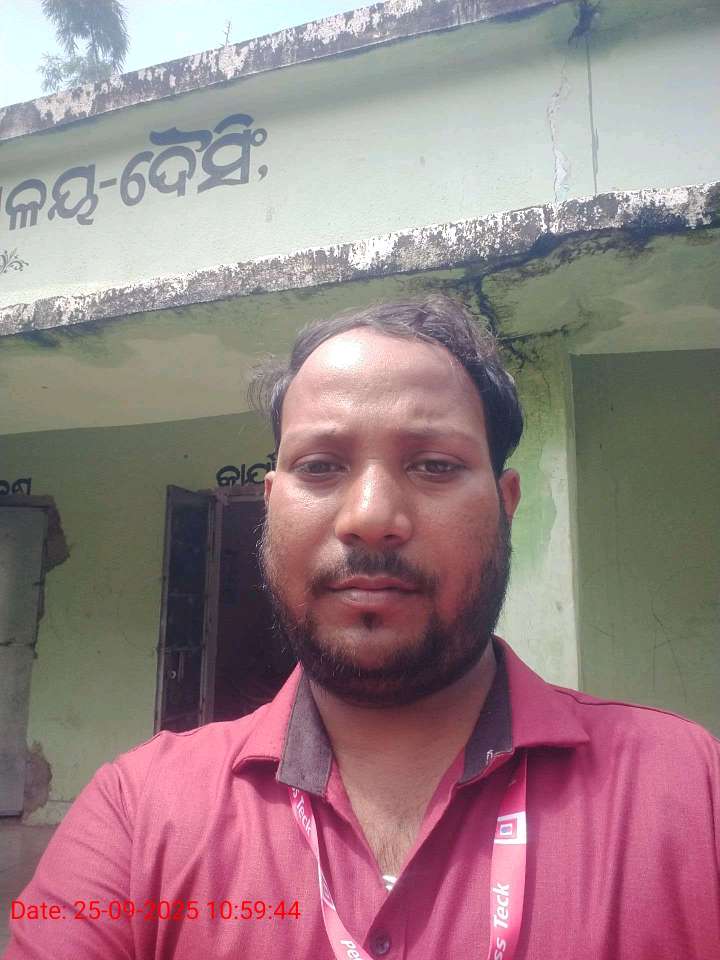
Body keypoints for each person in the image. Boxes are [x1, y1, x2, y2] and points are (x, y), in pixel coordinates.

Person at [4, 295, 719, 960]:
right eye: (321, 466)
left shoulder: (693, 792)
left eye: (434, 465)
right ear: (271, 503)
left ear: (506, 505)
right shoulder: (135, 815)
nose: (371, 516)